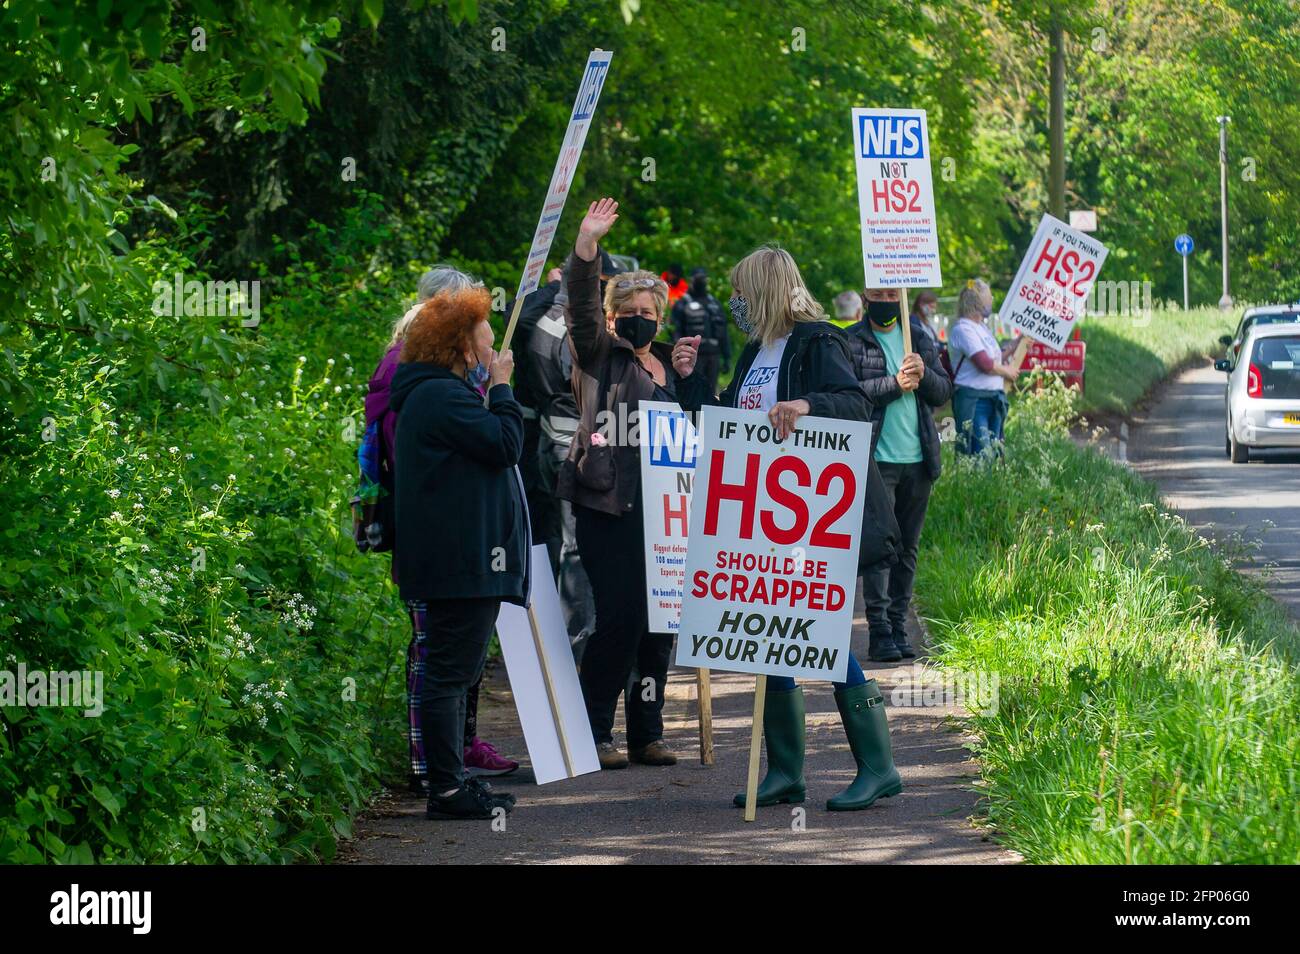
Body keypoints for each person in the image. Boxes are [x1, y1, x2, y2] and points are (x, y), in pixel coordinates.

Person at [674, 245, 903, 812]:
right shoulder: (756, 349)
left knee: (819, 638)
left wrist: (805, 404)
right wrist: (691, 381)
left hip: (810, 517)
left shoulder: (818, 339)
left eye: (744, 291)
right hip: (761, 521)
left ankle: (879, 768)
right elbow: (726, 423)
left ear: (768, 290)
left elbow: (852, 407)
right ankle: (785, 773)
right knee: (772, 642)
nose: (737, 304)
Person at [366, 268, 518, 794]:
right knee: (447, 676)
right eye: (486, 341)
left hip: (452, 557)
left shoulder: (429, 393)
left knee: (450, 674)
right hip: (456, 562)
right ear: (461, 344)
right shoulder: (442, 397)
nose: (491, 350)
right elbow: (504, 444)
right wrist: (501, 388)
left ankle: (449, 780)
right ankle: (446, 786)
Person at [557, 197, 681, 770]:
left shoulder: (671, 368)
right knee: (622, 616)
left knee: (660, 624)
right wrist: (587, 245)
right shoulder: (596, 353)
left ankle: (647, 733)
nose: (639, 318)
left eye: (648, 310)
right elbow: (578, 304)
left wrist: (688, 383)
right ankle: (596, 729)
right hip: (607, 505)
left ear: (660, 316)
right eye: (628, 309)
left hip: (667, 512)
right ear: (612, 318)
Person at [846, 289, 952, 662]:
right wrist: (894, 384)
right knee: (881, 551)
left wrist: (924, 375)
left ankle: (898, 625)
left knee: (908, 548)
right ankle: (879, 632)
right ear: (865, 296)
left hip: (918, 459)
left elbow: (943, 392)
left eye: (893, 293)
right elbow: (849, 397)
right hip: (876, 460)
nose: (887, 299)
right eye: (880, 294)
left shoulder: (919, 336)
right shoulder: (853, 341)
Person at [526, 265, 597, 663]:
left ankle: (556, 631)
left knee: (557, 540)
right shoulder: (573, 329)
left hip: (547, 435)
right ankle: (577, 643)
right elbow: (588, 387)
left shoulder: (539, 320)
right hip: (575, 441)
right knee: (577, 545)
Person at [948, 279, 1021, 457]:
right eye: (989, 298)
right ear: (976, 302)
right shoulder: (963, 329)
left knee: (993, 452)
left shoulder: (981, 328)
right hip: (974, 399)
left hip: (993, 397)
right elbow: (985, 364)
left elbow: (995, 357)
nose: (991, 301)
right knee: (980, 453)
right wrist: (1008, 372)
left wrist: (1017, 343)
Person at [671, 267, 731, 393]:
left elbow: (723, 332)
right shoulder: (682, 304)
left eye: (703, 278)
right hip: (692, 356)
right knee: (693, 391)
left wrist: (727, 357)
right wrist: (677, 356)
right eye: (698, 279)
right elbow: (676, 333)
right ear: (690, 280)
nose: (701, 282)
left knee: (710, 392)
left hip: (713, 356)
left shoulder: (714, 304)